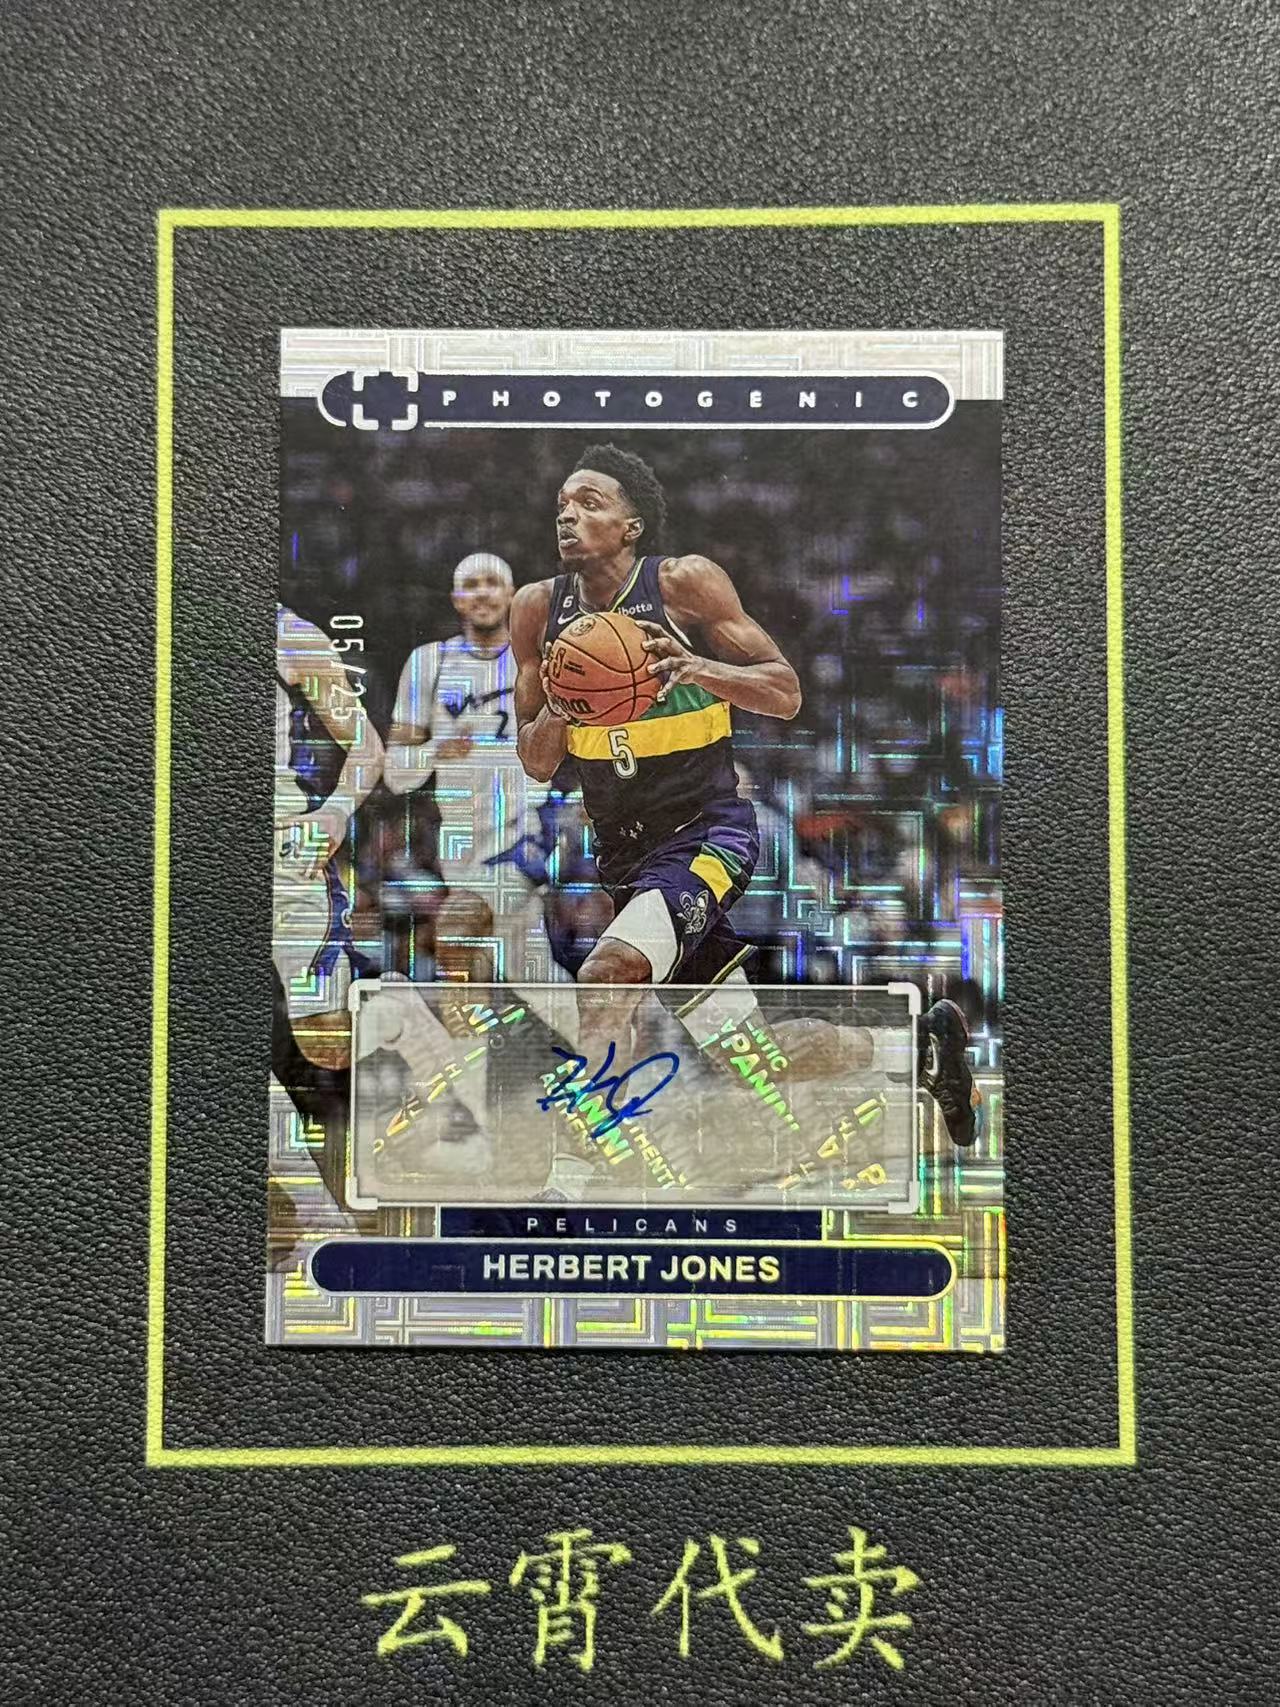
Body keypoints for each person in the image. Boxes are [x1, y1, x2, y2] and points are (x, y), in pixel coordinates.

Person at [511, 444, 980, 1151]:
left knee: (605, 976)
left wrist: (696, 666)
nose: (568, 516)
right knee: (750, 1058)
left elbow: (785, 691)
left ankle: (580, 1174)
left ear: (632, 526)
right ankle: (918, 1050)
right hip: (626, 860)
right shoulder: (535, 609)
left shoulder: (682, 585)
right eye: (562, 505)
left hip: (707, 832)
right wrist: (564, 701)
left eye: (589, 503)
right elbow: (537, 762)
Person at [383, 552, 571, 987]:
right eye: (471, 585)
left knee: (455, 932)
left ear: (512, 594)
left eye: (492, 582)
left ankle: (463, 1040)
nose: (483, 593)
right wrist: (436, 750)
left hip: (527, 830)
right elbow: (395, 774)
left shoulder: (543, 661)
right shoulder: (428, 663)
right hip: (463, 845)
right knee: (534, 978)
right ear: (456, 599)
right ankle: (604, 1030)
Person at [274, 602, 384, 1070]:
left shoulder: (292, 636)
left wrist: (336, 811)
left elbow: (367, 746)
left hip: (283, 848)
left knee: (328, 1039)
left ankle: (403, 1011)